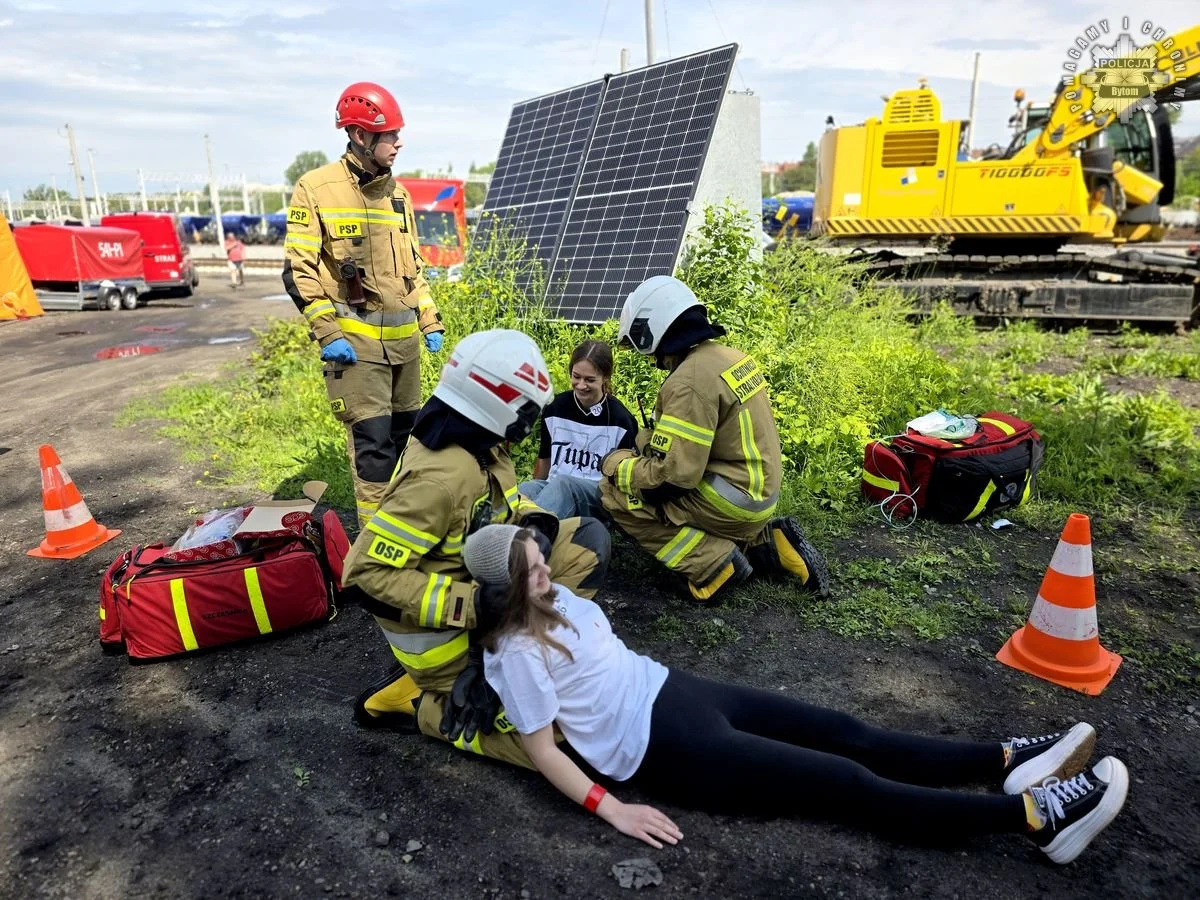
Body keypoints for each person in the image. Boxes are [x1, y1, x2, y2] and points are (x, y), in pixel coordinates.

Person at [464, 524, 1131, 865]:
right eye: (531, 569)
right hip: (659, 746)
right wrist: (614, 810)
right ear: (504, 591)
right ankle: (1036, 820)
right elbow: (544, 750)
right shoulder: (513, 653)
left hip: (673, 691)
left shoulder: (556, 595)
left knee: (847, 730)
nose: (547, 568)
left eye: (540, 555)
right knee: (844, 781)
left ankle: (1005, 762)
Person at [340, 329, 612, 769]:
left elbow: (501, 501)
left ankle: (516, 658)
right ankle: (424, 706)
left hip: (484, 597)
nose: (528, 423)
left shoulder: (479, 438)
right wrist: (475, 605)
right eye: (526, 409)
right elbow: (363, 577)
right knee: (573, 736)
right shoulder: (439, 479)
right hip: (447, 637)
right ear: (502, 404)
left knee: (584, 541)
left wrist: (537, 525)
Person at [599, 275, 830, 603]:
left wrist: (618, 467)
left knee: (616, 496)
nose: (653, 361)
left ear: (655, 329)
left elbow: (673, 480)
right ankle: (769, 544)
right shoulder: (729, 357)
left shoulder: (687, 382)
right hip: (758, 493)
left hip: (731, 502)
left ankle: (713, 566)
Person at [283, 81, 446, 529]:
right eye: (390, 135)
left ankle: (406, 532)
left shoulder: (399, 195)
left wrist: (428, 319)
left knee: (408, 445)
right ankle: (376, 549)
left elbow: (413, 266)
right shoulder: (315, 188)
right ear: (359, 135)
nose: (398, 143)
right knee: (374, 451)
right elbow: (299, 270)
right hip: (355, 350)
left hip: (405, 349)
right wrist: (328, 334)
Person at [519, 340, 639, 521]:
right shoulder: (555, 407)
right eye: (576, 377)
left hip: (598, 496)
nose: (581, 385)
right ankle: (501, 534)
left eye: (590, 380)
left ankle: (530, 537)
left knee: (564, 483)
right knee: (525, 489)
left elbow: (623, 482)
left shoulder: (621, 420)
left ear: (605, 378)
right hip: (555, 487)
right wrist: (537, 484)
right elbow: (545, 458)